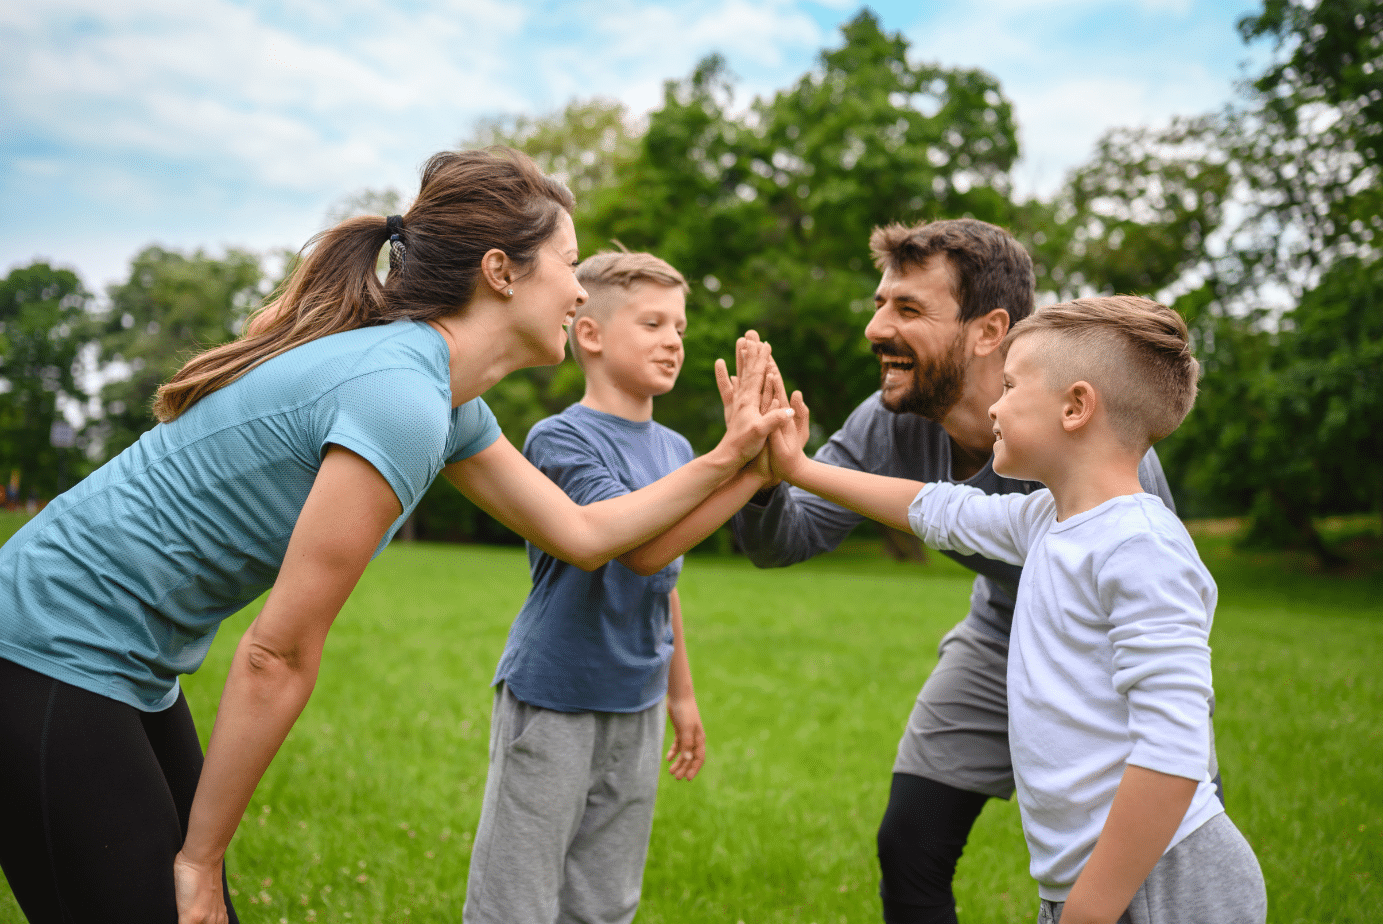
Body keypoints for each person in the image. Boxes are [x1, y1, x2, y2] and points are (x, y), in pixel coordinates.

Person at [0, 148, 793, 924]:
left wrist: (731, 459)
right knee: (179, 896)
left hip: (122, 660)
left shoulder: (443, 400)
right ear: (500, 271)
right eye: (567, 265)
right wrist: (202, 861)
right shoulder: (399, 396)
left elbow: (582, 534)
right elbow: (276, 657)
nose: (577, 298)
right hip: (45, 643)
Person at [731, 219, 1198, 924]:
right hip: (997, 635)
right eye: (880, 302)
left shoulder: (1101, 464)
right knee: (909, 842)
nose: (874, 327)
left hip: (1097, 653)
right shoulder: (888, 422)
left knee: (1159, 850)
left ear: (989, 330)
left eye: (908, 309)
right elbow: (832, 529)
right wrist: (773, 475)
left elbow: (1166, 671)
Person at [465, 249, 719, 922]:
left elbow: (663, 579)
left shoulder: (676, 452)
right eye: (653, 323)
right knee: (515, 897)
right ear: (591, 334)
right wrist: (741, 462)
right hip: (555, 697)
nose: (672, 341)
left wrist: (681, 694)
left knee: (606, 900)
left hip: (635, 702)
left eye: (680, 329)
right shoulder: (560, 439)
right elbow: (635, 550)